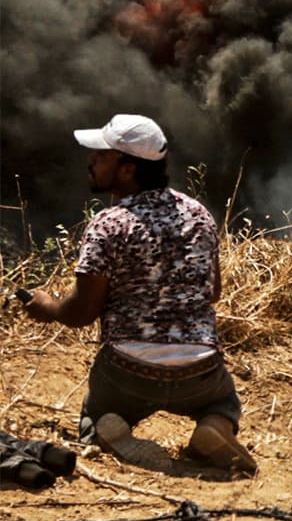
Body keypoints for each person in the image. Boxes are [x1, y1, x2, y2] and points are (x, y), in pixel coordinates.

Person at [22, 115, 255, 474]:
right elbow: (213, 292)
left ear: (128, 169)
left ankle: (107, 430)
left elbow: (81, 312)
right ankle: (215, 428)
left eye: (101, 156)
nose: (91, 161)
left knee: (96, 416)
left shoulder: (109, 224)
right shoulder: (199, 215)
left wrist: (47, 306)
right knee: (224, 403)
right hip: (200, 371)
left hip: (128, 373)